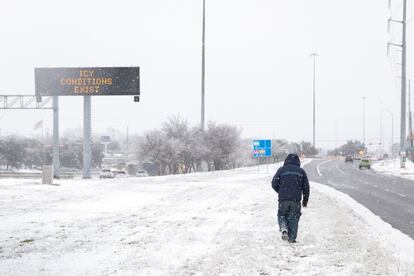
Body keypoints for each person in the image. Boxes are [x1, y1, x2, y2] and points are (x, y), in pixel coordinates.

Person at [271, 153, 310, 243]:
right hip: (295, 200)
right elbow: (306, 187)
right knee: (294, 218)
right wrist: (305, 200)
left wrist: (281, 192)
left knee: (282, 215)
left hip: (283, 199)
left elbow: (274, 183)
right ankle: (292, 239)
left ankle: (284, 228)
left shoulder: (281, 170)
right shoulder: (301, 171)